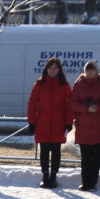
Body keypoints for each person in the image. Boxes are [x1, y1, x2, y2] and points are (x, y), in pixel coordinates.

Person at [28, 58, 73, 188]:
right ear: (46, 69)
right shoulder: (39, 84)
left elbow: (69, 106)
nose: (52, 70)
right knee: (44, 151)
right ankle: (45, 175)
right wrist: (32, 122)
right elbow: (32, 104)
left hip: (59, 124)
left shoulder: (65, 85)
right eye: (50, 67)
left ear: (59, 70)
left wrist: (68, 122)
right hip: (42, 123)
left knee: (56, 151)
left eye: (55, 68)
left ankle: (53, 175)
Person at [70, 60, 100, 191]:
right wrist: (86, 109)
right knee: (86, 157)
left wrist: (97, 108)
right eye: (88, 69)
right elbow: (73, 102)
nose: (90, 72)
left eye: (92, 70)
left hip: (99, 126)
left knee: (96, 157)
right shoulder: (78, 84)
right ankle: (85, 182)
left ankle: (93, 182)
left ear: (97, 71)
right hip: (83, 126)